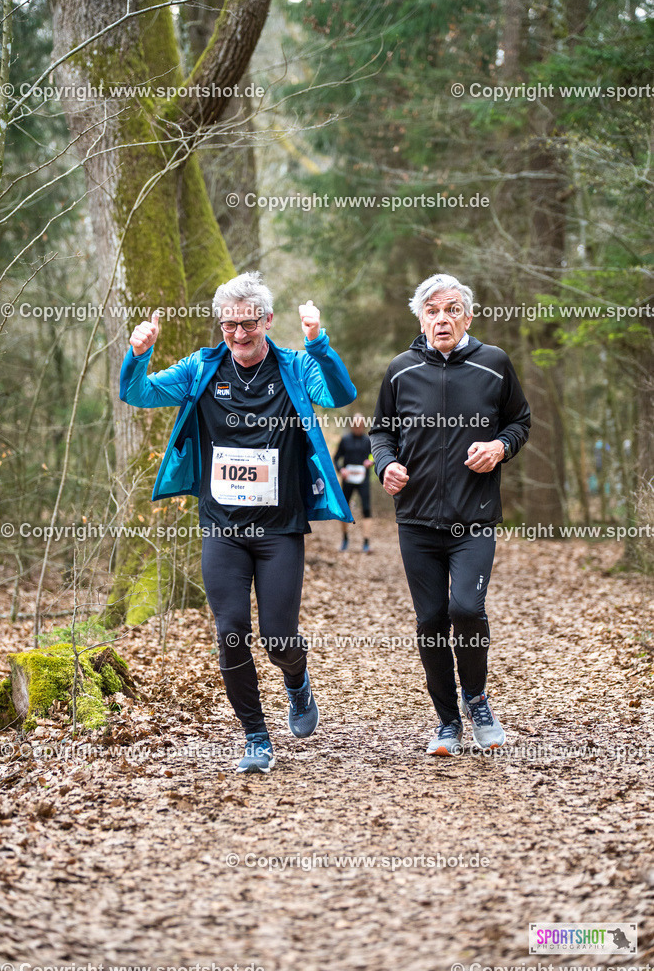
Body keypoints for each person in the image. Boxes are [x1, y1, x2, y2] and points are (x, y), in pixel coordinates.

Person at [120, 272, 356, 773]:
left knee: (278, 636)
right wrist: (138, 354)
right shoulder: (201, 369)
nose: (238, 334)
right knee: (230, 632)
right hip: (223, 528)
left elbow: (339, 394)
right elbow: (138, 394)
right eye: (228, 324)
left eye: (248, 323)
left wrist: (319, 343)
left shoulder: (294, 366)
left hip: (279, 529)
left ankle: (297, 681)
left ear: (267, 321)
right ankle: (255, 737)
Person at [370, 273, 530, 756]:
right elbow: (382, 432)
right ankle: (446, 722)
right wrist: (387, 464)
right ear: (421, 318)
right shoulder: (400, 370)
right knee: (431, 621)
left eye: (452, 309)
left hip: (473, 518)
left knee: (466, 608)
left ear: (468, 315)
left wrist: (500, 447)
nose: (443, 318)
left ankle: (477, 700)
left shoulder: (495, 364)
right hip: (416, 520)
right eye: (433, 311)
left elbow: (519, 421)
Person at [334, 412, 374, 553]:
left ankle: (366, 542)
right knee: (344, 509)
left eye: (360, 425)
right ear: (352, 425)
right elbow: (336, 458)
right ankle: (345, 539)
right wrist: (341, 470)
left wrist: (370, 461)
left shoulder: (368, 440)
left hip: (363, 479)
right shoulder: (345, 440)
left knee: (367, 509)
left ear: (363, 425)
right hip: (348, 480)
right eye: (355, 425)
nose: (357, 427)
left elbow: (373, 455)